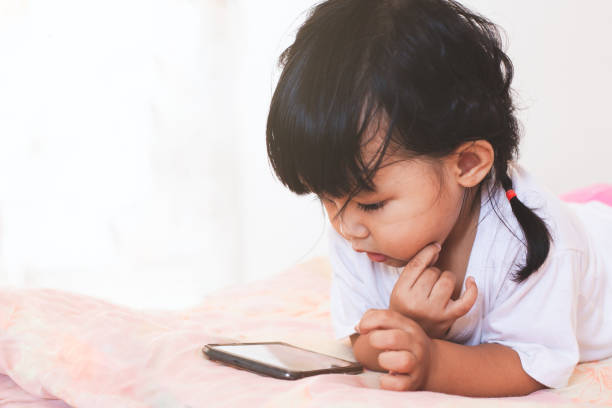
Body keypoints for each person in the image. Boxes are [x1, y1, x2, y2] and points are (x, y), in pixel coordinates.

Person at [265, 0, 612, 397]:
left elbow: (532, 364)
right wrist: (405, 325)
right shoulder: (360, 229)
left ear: (466, 163)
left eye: (371, 203)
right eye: (326, 199)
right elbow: (360, 337)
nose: (345, 226)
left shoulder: (534, 242)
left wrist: (432, 360)